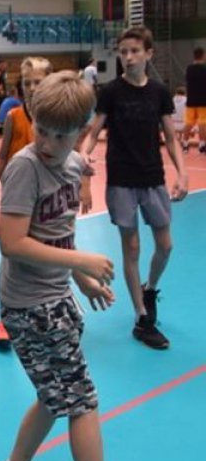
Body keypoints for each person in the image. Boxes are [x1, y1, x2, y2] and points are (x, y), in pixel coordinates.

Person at [0, 70, 137, 461]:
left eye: (62, 133)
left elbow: (57, 228)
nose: (50, 142)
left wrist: (78, 276)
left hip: (57, 296)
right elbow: (12, 243)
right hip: (31, 307)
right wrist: (79, 260)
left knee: (54, 396)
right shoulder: (24, 167)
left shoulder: (74, 165)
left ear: (82, 131)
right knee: (83, 404)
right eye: (42, 130)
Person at [84, 25, 188, 350]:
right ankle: (142, 319)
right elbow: (93, 131)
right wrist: (81, 160)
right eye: (123, 52)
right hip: (121, 181)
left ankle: (150, 288)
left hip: (153, 179)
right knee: (131, 249)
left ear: (148, 54)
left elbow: (170, 138)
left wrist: (182, 174)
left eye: (134, 51)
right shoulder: (111, 92)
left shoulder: (159, 92)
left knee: (166, 245)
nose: (128, 57)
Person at [0, 57, 53, 221]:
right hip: (16, 192)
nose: (32, 88)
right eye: (27, 83)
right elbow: (1, 157)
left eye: (38, 82)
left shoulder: (55, 117)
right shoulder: (13, 117)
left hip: (46, 194)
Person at [183, 46, 206, 154]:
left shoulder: (189, 69)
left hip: (191, 100)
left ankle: (185, 144)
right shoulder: (204, 69)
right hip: (203, 100)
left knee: (188, 123)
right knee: (203, 123)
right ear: (203, 55)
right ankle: (202, 145)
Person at [173, 86, 187, 150]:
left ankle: (177, 139)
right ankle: (184, 141)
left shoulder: (172, 99)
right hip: (184, 124)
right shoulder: (186, 99)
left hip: (172, 124)